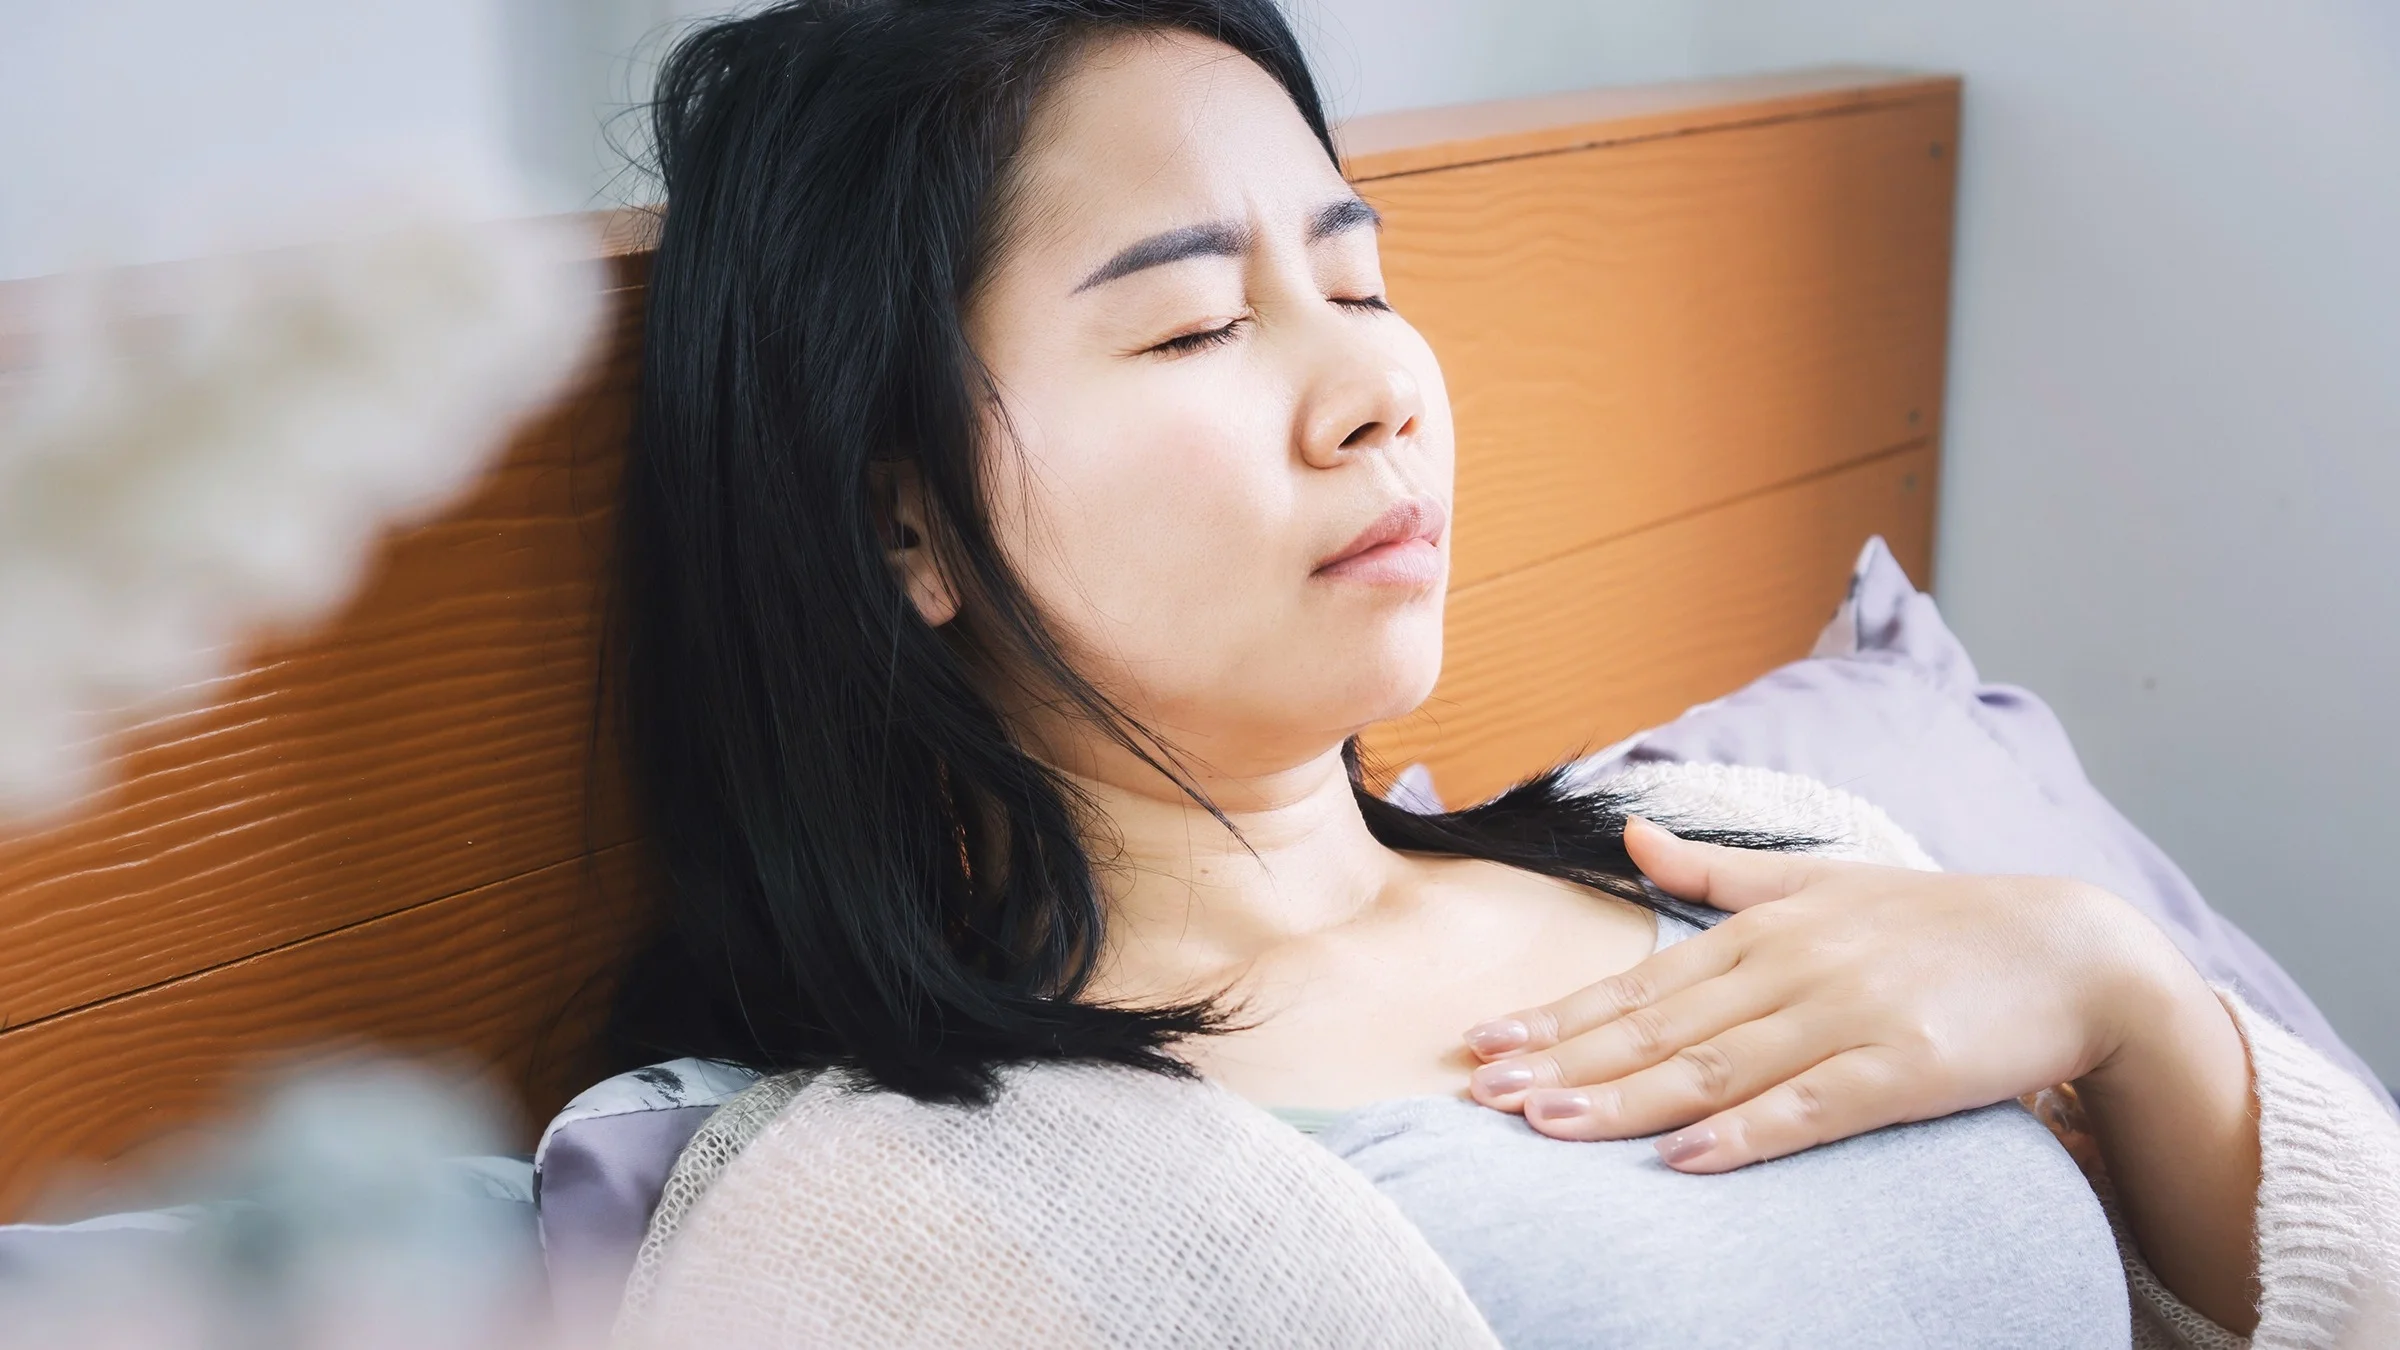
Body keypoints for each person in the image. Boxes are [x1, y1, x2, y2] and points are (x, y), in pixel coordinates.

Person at [606, 1, 2398, 1343]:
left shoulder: (1730, 842)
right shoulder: (871, 1227)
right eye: (1198, 322)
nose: (1377, 389)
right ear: (905, 523)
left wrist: (2124, 998)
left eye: (1361, 281)